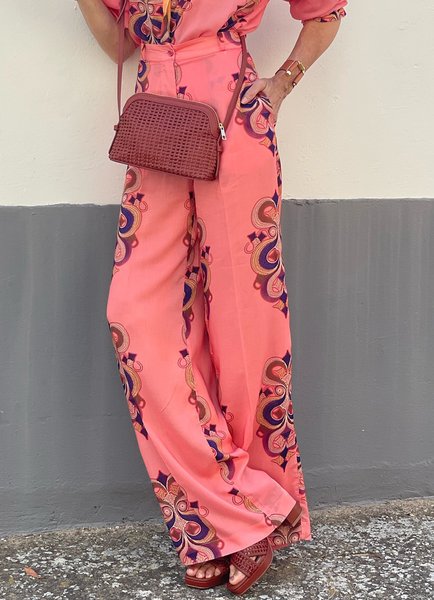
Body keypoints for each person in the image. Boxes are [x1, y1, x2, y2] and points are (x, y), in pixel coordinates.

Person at [76, 0, 347, 595]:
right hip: (156, 134)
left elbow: (325, 11)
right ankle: (242, 512)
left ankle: (232, 528)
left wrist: (282, 83)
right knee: (133, 318)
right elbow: (120, 43)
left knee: (246, 332)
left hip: (233, 118)